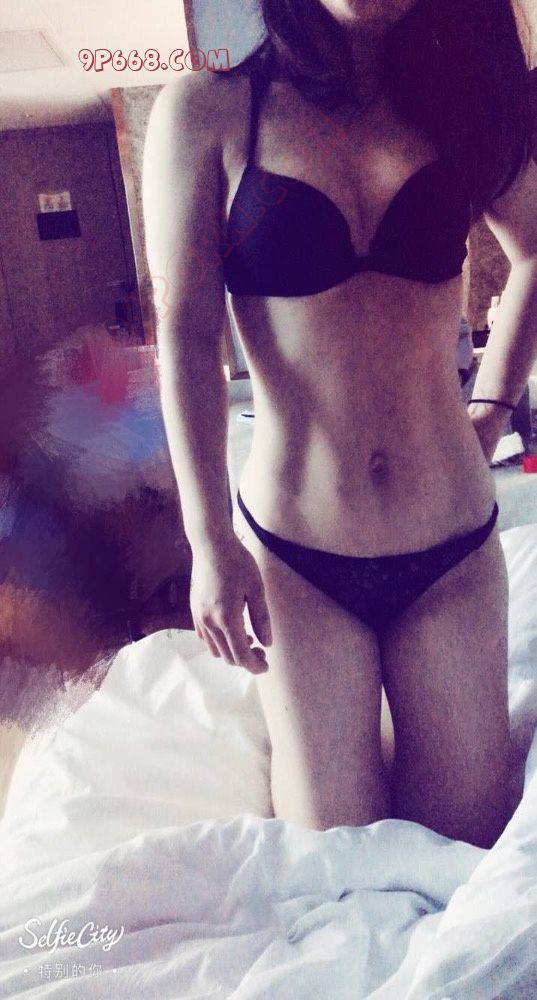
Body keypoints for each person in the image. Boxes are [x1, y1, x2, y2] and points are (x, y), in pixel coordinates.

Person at [142, 0, 537, 849]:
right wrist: (208, 541)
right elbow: (184, 333)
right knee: (335, 849)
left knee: (462, 848)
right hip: (297, 561)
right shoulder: (207, 111)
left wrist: (492, 408)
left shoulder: (457, 108)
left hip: (450, 548)